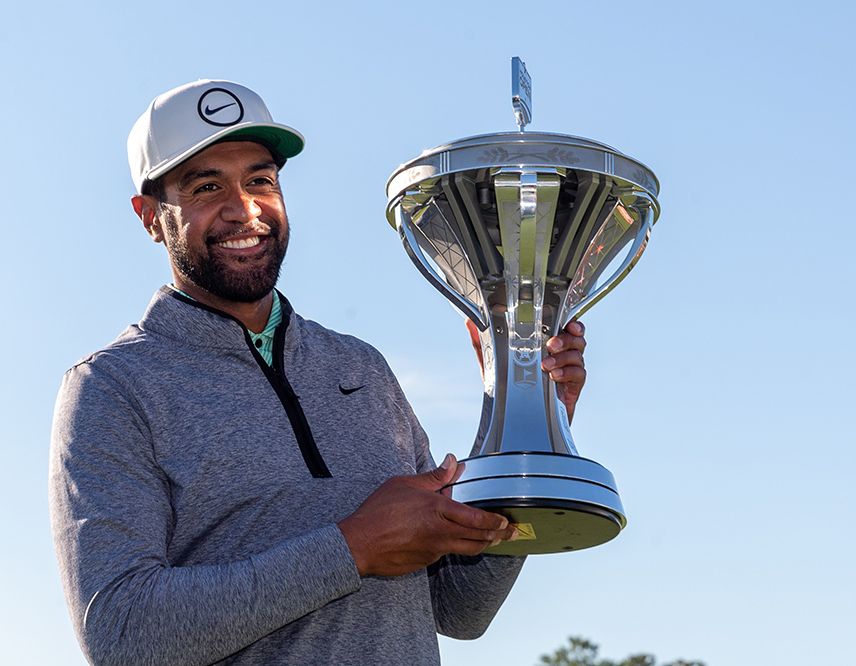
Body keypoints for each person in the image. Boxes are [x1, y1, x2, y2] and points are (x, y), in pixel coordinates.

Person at [49, 79, 589, 666]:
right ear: (151, 217)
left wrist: (524, 418)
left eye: (260, 181)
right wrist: (352, 548)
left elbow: (459, 609)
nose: (244, 209)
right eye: (206, 187)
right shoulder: (112, 387)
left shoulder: (361, 366)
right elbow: (121, 633)